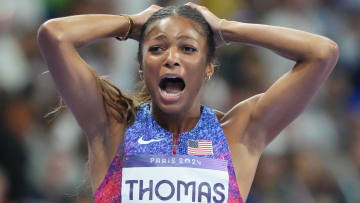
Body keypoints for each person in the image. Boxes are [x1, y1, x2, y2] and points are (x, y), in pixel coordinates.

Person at [37, 2, 339, 202]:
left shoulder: (236, 134)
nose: (171, 58)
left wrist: (224, 29)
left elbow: (322, 53)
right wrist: (131, 24)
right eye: (157, 48)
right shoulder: (112, 127)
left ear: (209, 66)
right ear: (142, 66)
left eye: (188, 49)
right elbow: (55, 35)